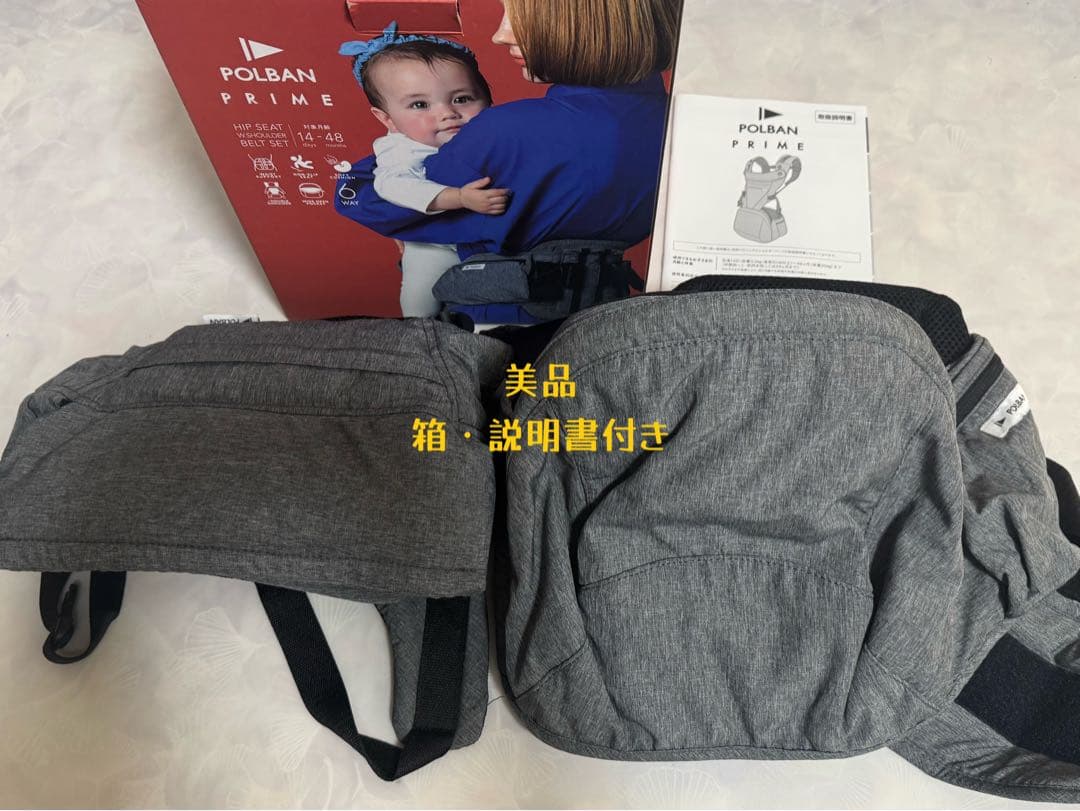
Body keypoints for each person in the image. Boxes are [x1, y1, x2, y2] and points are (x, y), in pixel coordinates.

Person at [336, 0, 682, 323]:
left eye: (519, 16)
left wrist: (388, 154)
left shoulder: (505, 132)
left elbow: (365, 197)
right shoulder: (677, 122)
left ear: (585, 20)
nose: (500, 35)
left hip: (494, 319)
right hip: (603, 316)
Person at [339, 24, 511, 317]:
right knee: (420, 299)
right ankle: (419, 331)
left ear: (488, 99)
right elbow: (394, 186)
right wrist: (458, 197)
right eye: (420, 104)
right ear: (387, 119)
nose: (447, 113)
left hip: (488, 243)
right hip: (432, 244)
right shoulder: (401, 149)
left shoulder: (495, 136)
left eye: (462, 99)